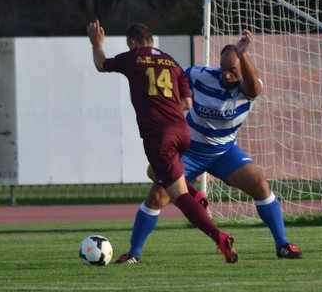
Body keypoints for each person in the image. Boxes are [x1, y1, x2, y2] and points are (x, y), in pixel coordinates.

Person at [115, 29, 303, 264]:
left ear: (242, 67)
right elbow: (173, 79)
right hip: (189, 152)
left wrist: (243, 54)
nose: (226, 74)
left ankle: (282, 244)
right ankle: (133, 253)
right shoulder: (200, 75)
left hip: (224, 152)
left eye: (232, 70)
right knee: (157, 196)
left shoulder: (248, 87)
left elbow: (253, 86)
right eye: (223, 68)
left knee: (259, 184)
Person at [87, 20, 238, 263]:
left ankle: (219, 237)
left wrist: (97, 44)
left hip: (160, 136)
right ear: (152, 40)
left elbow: (100, 64)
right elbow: (187, 103)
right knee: (154, 172)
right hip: (183, 132)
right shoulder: (172, 63)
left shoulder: (133, 57)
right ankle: (194, 195)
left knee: (178, 197)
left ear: (132, 43)